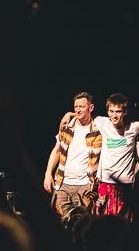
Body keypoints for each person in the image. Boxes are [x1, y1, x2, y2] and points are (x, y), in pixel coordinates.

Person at [44, 92, 103, 221]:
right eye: (76, 107)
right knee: (61, 224)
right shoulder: (67, 127)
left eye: (81, 107)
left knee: (85, 224)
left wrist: (69, 114)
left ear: (91, 107)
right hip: (63, 185)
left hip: (85, 186)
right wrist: (48, 174)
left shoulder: (99, 128)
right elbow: (56, 151)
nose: (78, 110)